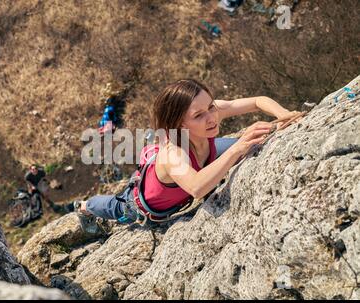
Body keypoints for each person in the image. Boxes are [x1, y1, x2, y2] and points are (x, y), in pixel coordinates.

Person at [75, 79, 295, 225]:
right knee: (113, 206)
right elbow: (197, 187)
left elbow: (257, 101)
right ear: (180, 125)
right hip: (140, 203)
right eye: (198, 115)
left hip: (201, 157)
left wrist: (283, 114)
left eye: (210, 107)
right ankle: (84, 206)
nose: (211, 117)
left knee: (253, 141)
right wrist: (238, 147)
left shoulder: (210, 113)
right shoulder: (174, 154)